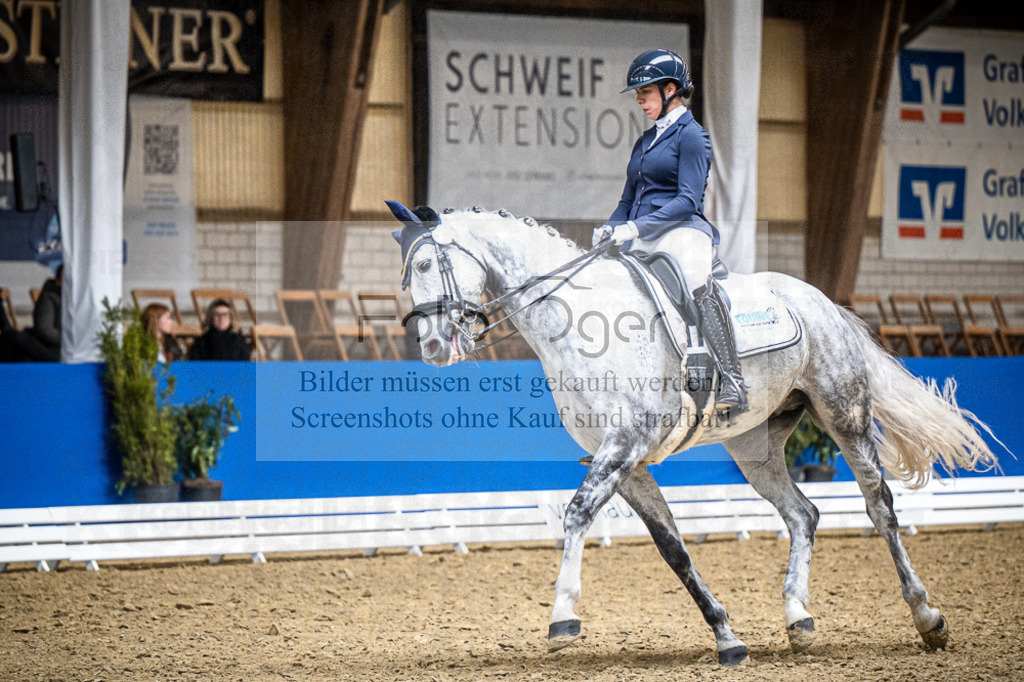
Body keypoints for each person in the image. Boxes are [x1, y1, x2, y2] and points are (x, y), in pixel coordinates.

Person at [593, 49, 748, 413]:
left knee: (695, 280)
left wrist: (633, 227)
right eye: (638, 94)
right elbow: (627, 199)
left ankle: (732, 379)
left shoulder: (692, 137)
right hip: (641, 231)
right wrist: (609, 228)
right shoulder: (644, 141)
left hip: (682, 228)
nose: (640, 100)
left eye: (645, 92)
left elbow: (687, 200)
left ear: (670, 89)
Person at [0, 265, 61, 362]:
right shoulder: (51, 294)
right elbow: (45, 330)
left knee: (21, 356)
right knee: (15, 341)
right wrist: (68, 339)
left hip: (61, 350)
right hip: (53, 348)